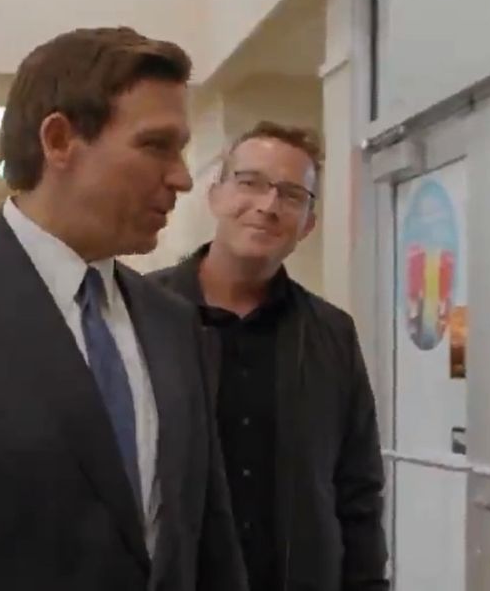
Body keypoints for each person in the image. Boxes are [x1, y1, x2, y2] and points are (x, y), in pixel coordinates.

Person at [0, 27, 246, 591]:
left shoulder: (174, 322)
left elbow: (208, 539)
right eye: (156, 145)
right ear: (60, 139)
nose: (183, 177)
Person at [151, 121, 389, 591]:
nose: (267, 206)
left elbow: (357, 491)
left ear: (308, 224)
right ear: (216, 195)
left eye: (291, 195)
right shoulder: (142, 312)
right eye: (250, 183)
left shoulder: (331, 335)